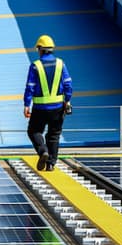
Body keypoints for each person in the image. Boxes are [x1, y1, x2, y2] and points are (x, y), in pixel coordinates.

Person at [23, 34, 72, 171]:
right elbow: (68, 84)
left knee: (34, 131)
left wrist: (27, 105)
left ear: (40, 49)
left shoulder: (35, 66)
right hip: (58, 108)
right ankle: (50, 164)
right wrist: (67, 100)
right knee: (54, 135)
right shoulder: (61, 64)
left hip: (40, 108)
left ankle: (43, 151)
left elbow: (30, 87)